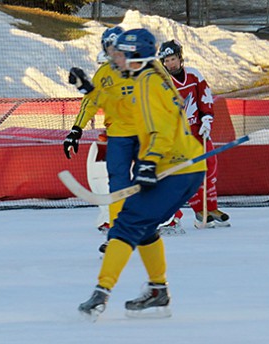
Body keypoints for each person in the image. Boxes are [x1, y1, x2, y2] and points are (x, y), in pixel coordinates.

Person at [77, 28, 206, 321]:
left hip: (176, 168)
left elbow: (161, 128)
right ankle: (158, 291)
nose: (116, 58)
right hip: (181, 167)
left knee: (126, 224)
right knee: (144, 226)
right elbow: (131, 113)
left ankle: (101, 294)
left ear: (136, 56)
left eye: (121, 54)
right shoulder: (147, 77)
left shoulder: (148, 82)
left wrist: (148, 163)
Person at [64, 26, 139, 253]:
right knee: (116, 184)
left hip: (146, 134)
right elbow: (90, 102)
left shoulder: (143, 68)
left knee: (144, 184)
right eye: (109, 48)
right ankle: (117, 234)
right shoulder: (104, 74)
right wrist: (76, 130)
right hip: (118, 136)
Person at [159, 39, 231, 228]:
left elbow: (204, 97)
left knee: (210, 164)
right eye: (166, 61)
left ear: (180, 58)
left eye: (172, 59)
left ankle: (211, 208)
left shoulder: (193, 75)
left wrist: (207, 119)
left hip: (199, 130)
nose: (170, 64)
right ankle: (200, 211)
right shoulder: (162, 82)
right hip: (179, 137)